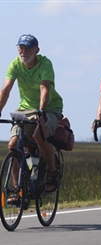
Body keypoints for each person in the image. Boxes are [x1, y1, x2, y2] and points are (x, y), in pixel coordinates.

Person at [0, 34, 63, 199]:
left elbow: (45, 89)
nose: (24, 51)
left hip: (49, 107)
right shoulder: (15, 65)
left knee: (39, 135)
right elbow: (6, 90)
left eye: (28, 48)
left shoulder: (45, 63)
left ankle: (51, 171)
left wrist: (41, 112)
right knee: (13, 145)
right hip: (25, 109)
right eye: (21, 48)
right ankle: (17, 190)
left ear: (37, 50)